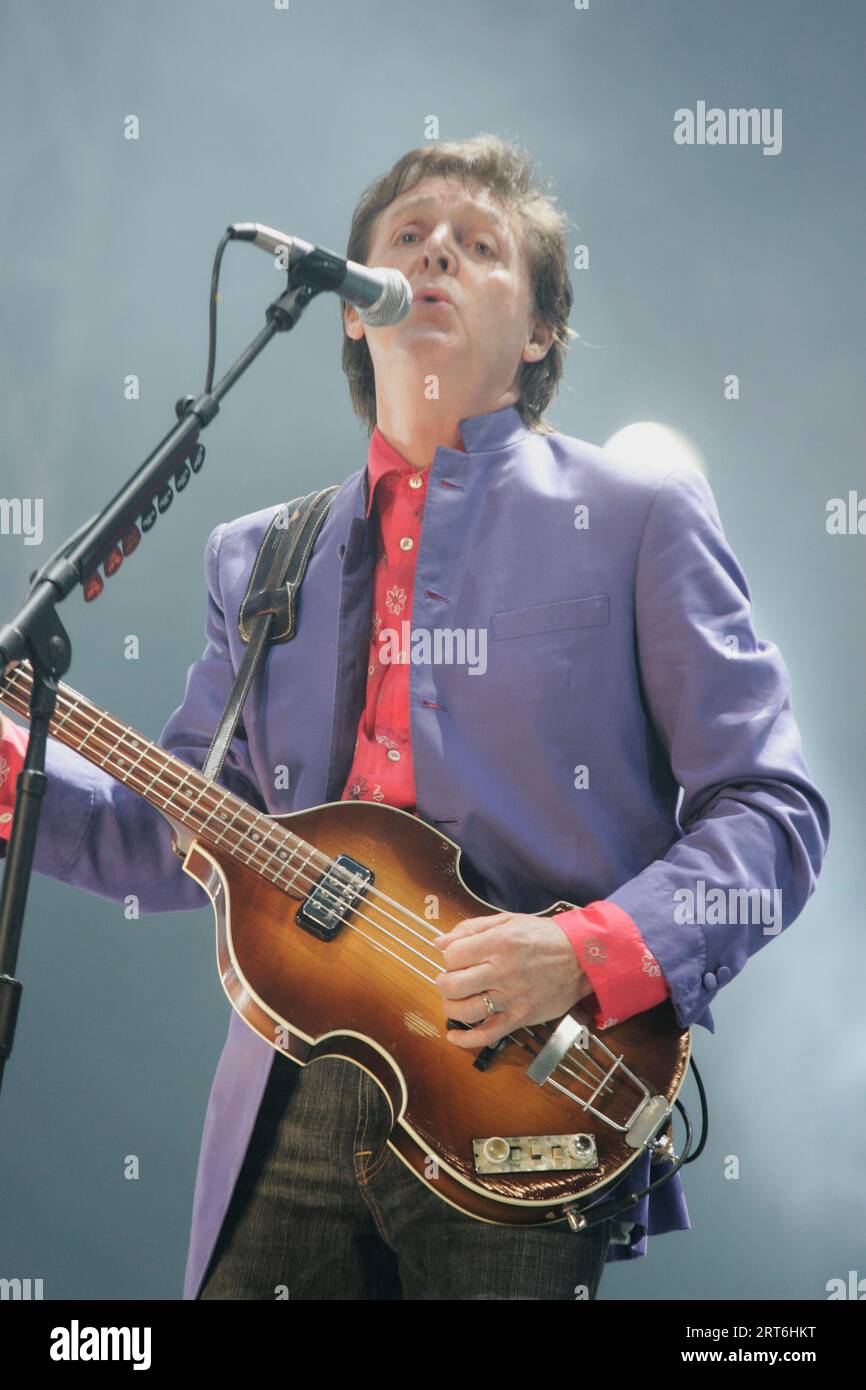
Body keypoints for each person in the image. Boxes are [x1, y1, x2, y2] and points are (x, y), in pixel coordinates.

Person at [0, 133, 830, 1300]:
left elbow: (772, 808)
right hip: (288, 1086)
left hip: (517, 1084)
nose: (434, 246)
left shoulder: (636, 511)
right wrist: (12, 768)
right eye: (406, 236)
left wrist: (583, 951)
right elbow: (176, 839)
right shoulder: (260, 556)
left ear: (537, 331)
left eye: (479, 244)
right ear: (348, 309)